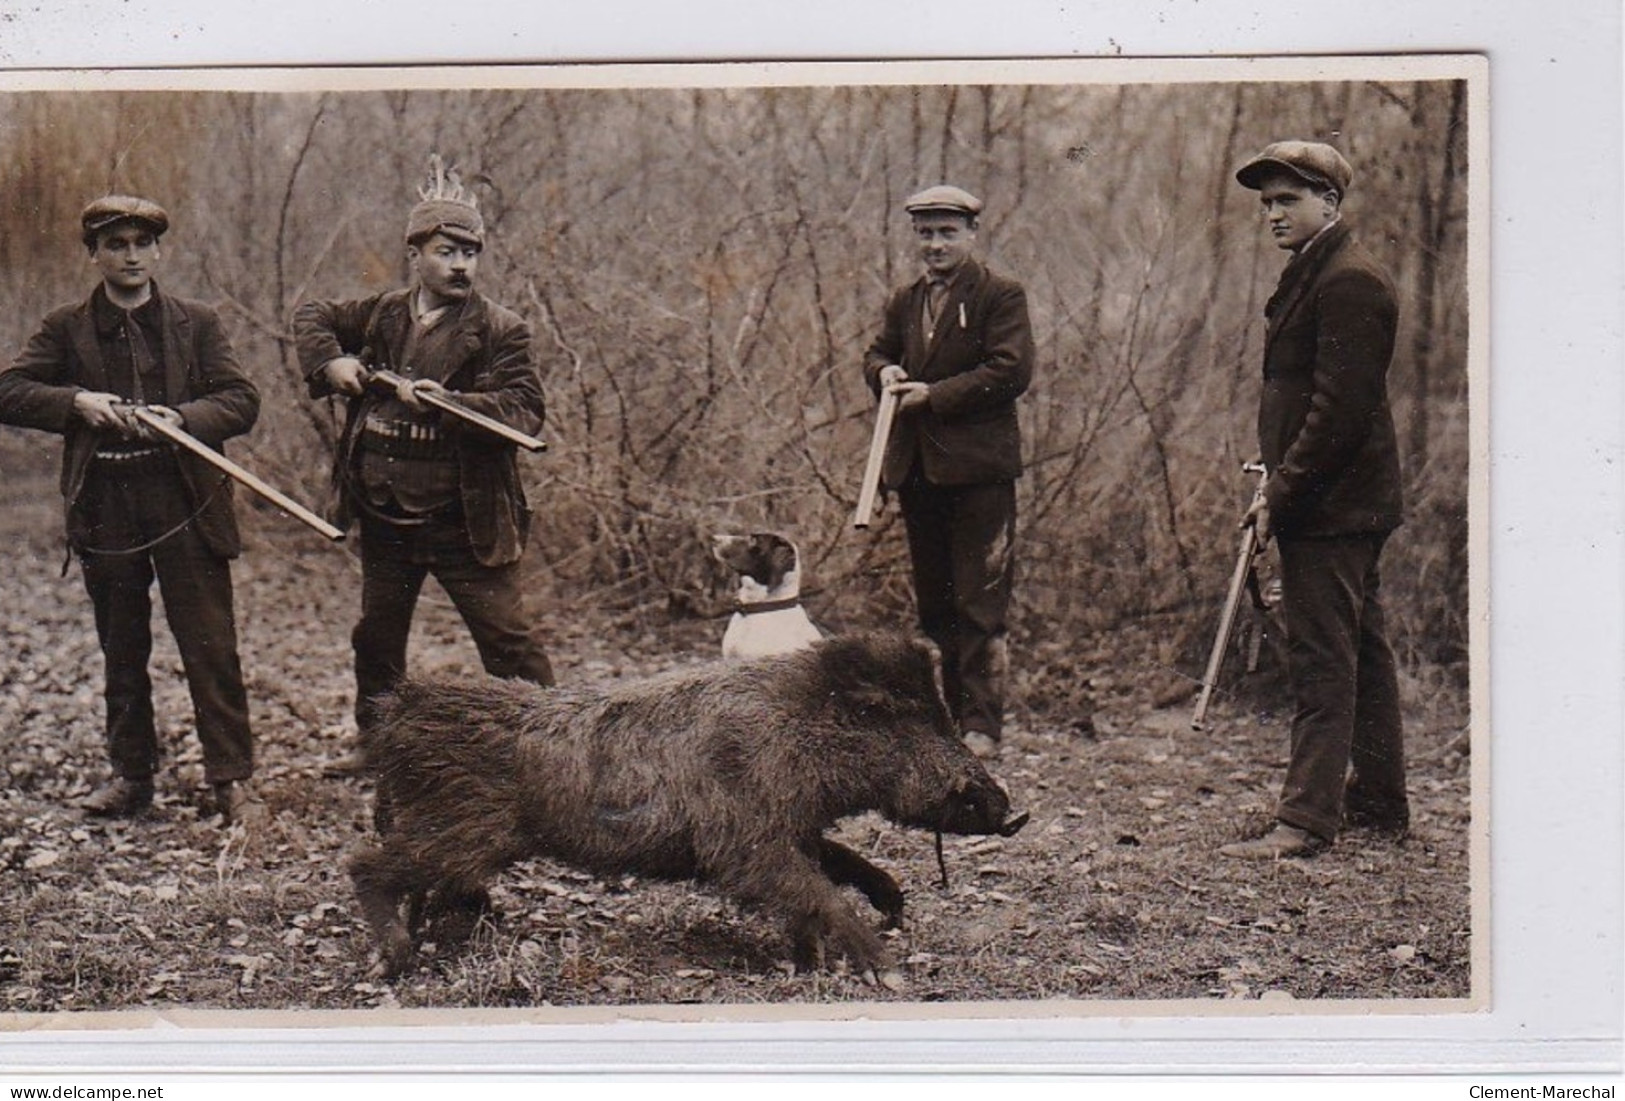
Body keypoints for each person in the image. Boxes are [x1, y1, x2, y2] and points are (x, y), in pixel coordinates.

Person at [0, 195, 262, 824]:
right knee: (122, 645)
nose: (131, 256)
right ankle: (132, 775)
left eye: (142, 243)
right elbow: (9, 390)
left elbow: (241, 399)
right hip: (107, 504)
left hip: (184, 500)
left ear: (158, 251)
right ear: (94, 255)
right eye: (115, 244)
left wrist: (185, 418)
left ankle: (231, 780)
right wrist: (76, 403)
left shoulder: (195, 322)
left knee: (210, 644)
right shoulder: (66, 327)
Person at [294, 156, 553, 745]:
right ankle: (379, 748)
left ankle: (557, 751)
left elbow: (524, 409)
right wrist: (333, 363)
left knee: (508, 642)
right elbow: (312, 315)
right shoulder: (383, 313)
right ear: (415, 256)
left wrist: (455, 405)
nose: (461, 266)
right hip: (385, 515)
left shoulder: (500, 329)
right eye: (446, 252)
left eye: (470, 254)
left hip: (464, 522)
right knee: (378, 640)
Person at [1219, 141, 1409, 859]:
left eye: (1287, 200)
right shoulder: (1318, 269)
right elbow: (1310, 401)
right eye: (1266, 202)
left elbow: (1338, 413)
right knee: (1360, 648)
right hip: (1337, 497)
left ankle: (1303, 821)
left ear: (1328, 203)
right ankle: (1380, 803)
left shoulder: (1349, 280)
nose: (1271, 214)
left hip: (1331, 505)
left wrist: (1281, 490)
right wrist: (1275, 468)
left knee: (1323, 657)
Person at [862, 184, 1035, 759]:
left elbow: (1010, 371)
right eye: (926, 233)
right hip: (919, 474)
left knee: (980, 603)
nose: (935, 244)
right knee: (934, 605)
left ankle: (982, 725)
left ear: (971, 234)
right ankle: (945, 717)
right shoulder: (906, 298)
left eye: (947, 233)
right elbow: (877, 352)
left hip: (980, 474)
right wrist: (885, 372)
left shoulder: (1000, 295)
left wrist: (933, 396)